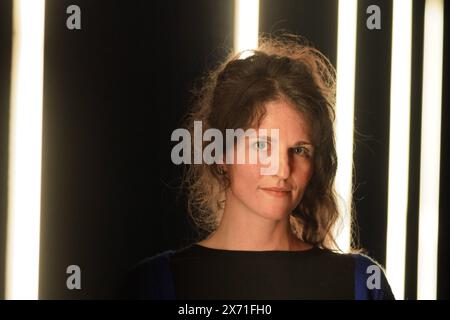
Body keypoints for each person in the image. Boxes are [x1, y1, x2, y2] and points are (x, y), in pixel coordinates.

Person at [123, 35, 395, 300]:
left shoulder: (362, 282)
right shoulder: (151, 284)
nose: (282, 170)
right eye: (263, 145)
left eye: (299, 150)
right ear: (218, 152)